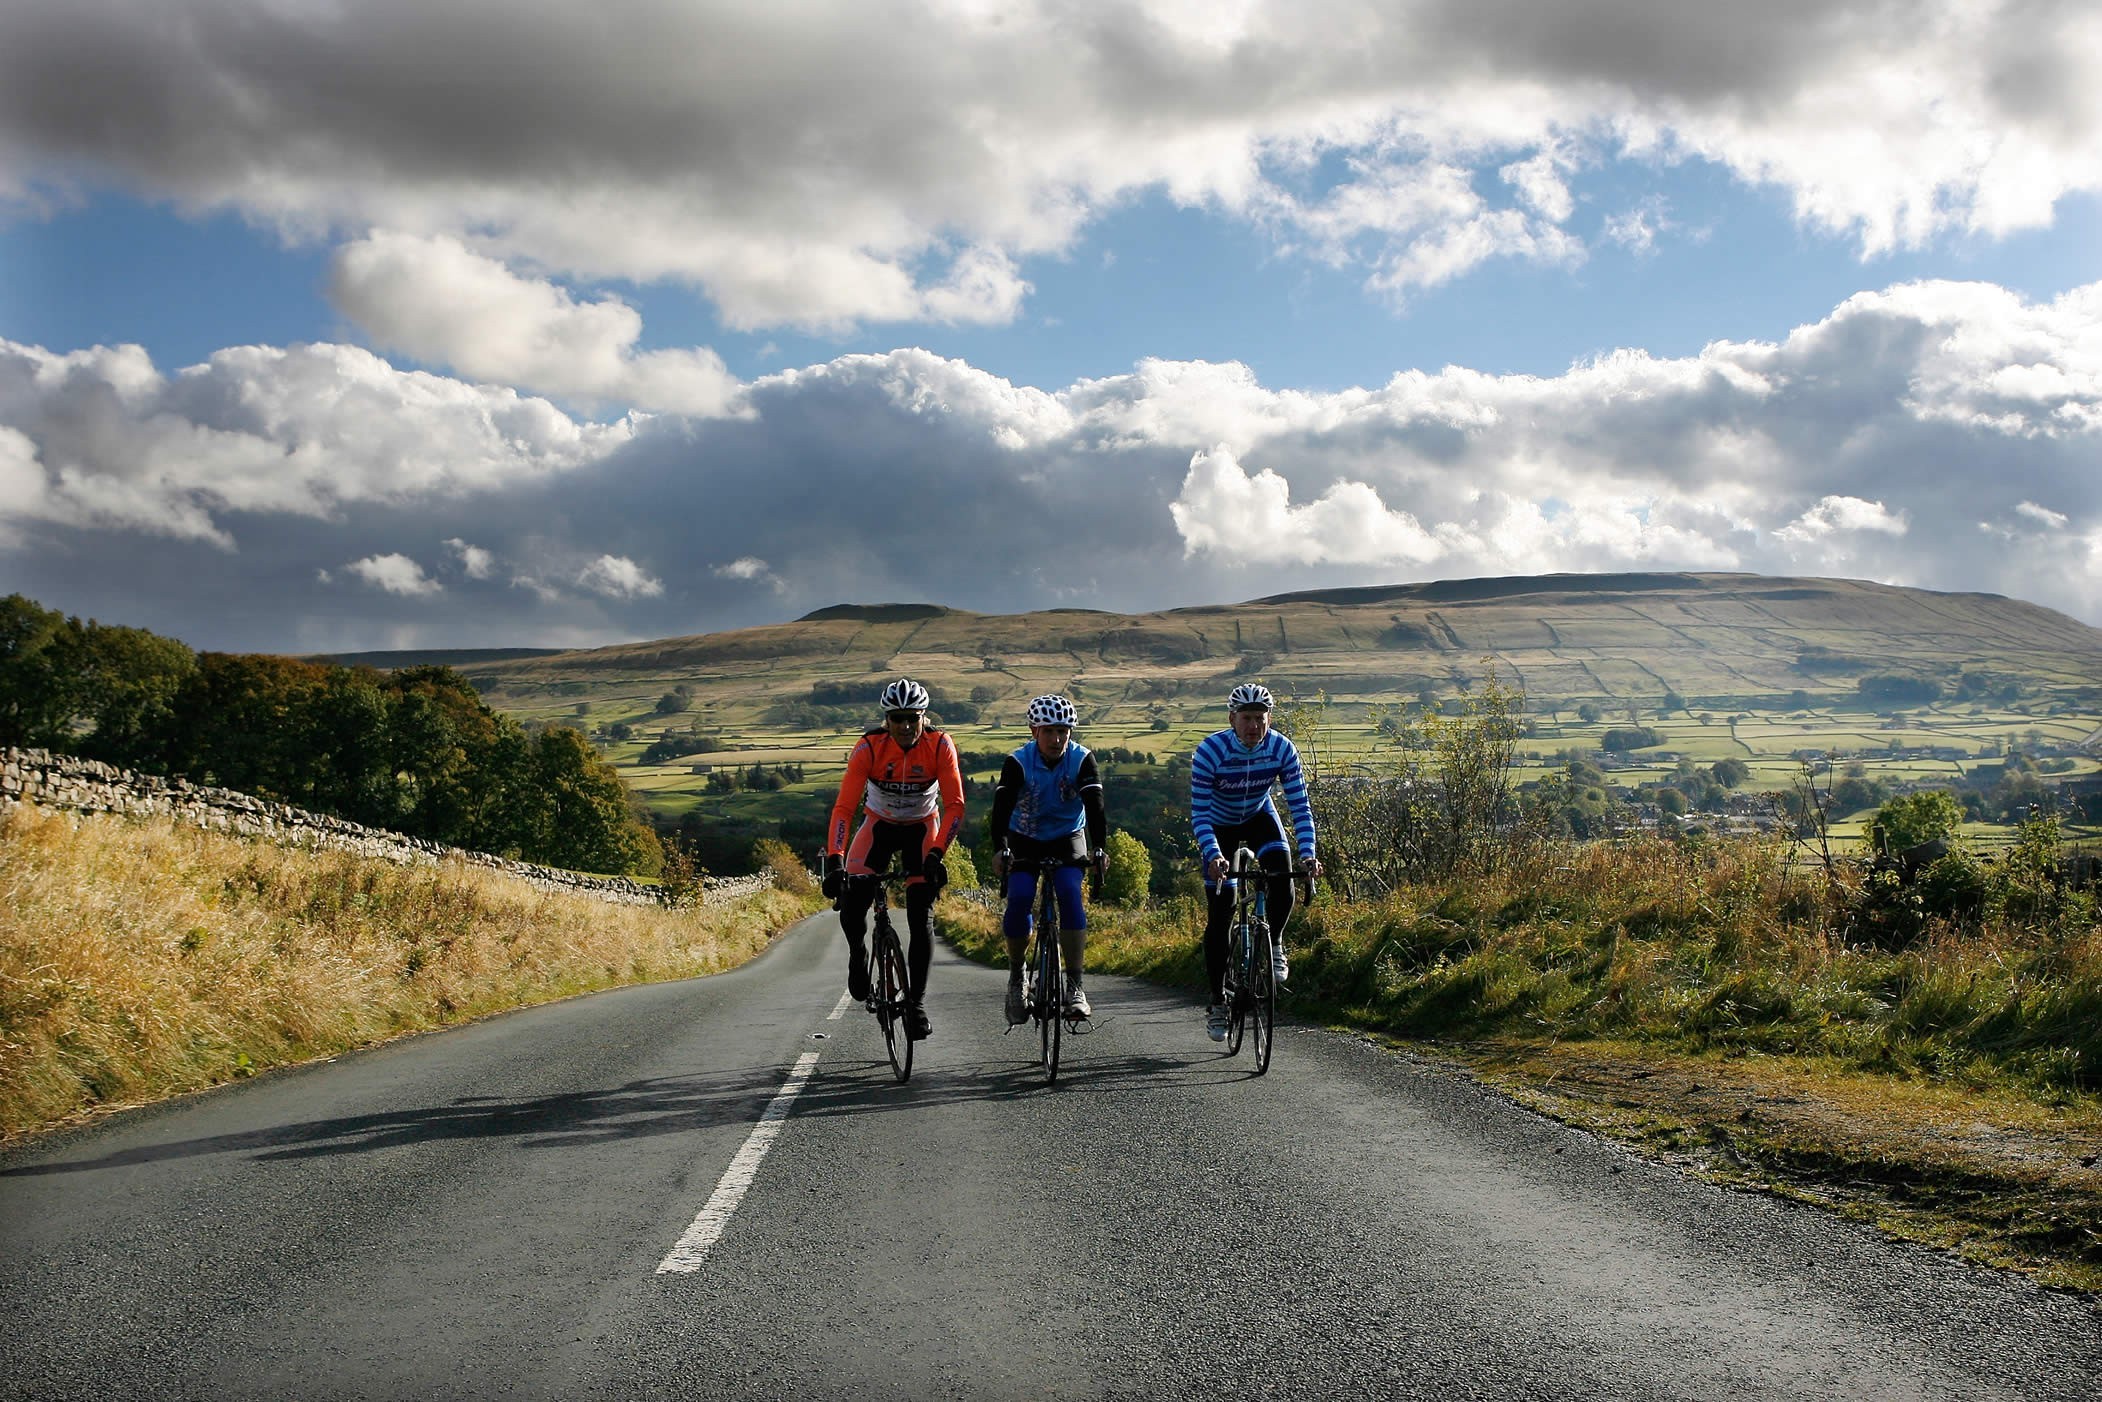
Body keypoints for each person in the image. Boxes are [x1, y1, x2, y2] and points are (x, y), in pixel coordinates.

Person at [820, 677, 964, 1041]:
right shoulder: (868, 748)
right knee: (853, 901)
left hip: (921, 829)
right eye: (896, 718)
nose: (904, 726)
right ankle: (857, 954)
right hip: (879, 827)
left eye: (912, 718)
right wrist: (836, 861)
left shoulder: (940, 745)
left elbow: (956, 807)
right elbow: (844, 809)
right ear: (886, 719)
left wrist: (936, 854)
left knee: (921, 916)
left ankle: (915, 1004)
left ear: (923, 717)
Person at [1189, 682, 1322, 1043]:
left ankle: (1274, 942)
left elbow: (1299, 806)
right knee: (1221, 913)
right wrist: (1213, 854)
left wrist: (1309, 852)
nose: (1253, 726)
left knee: (1282, 876)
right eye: (1246, 718)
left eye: (1260, 719)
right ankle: (1218, 1000)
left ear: (1269, 719)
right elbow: (1199, 812)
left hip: (1260, 816)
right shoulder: (1210, 751)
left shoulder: (1282, 748)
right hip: (1218, 824)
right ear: (1232, 719)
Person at [988, 694, 1107, 1023]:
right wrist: (1000, 847)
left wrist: (1099, 848)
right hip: (1024, 837)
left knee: (1070, 892)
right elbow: (1001, 810)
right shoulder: (1018, 761)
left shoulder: (1082, 759)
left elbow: (1095, 807)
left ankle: (1075, 986)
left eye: (1063, 731)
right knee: (1021, 896)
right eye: (1049, 731)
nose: (1057, 739)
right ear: (1033, 730)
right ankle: (1017, 978)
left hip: (1068, 836)